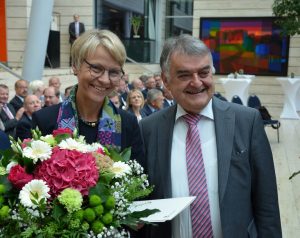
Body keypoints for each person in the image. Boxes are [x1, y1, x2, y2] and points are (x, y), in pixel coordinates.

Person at [138, 34, 282, 238]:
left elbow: (267, 205)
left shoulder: (246, 121)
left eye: (204, 73)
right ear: (166, 81)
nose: (197, 83)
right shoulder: (148, 129)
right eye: (185, 75)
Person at [32, 29, 144, 162]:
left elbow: (140, 177)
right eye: (96, 68)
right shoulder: (44, 120)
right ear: (75, 66)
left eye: (114, 72)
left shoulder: (128, 124)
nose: (104, 79)